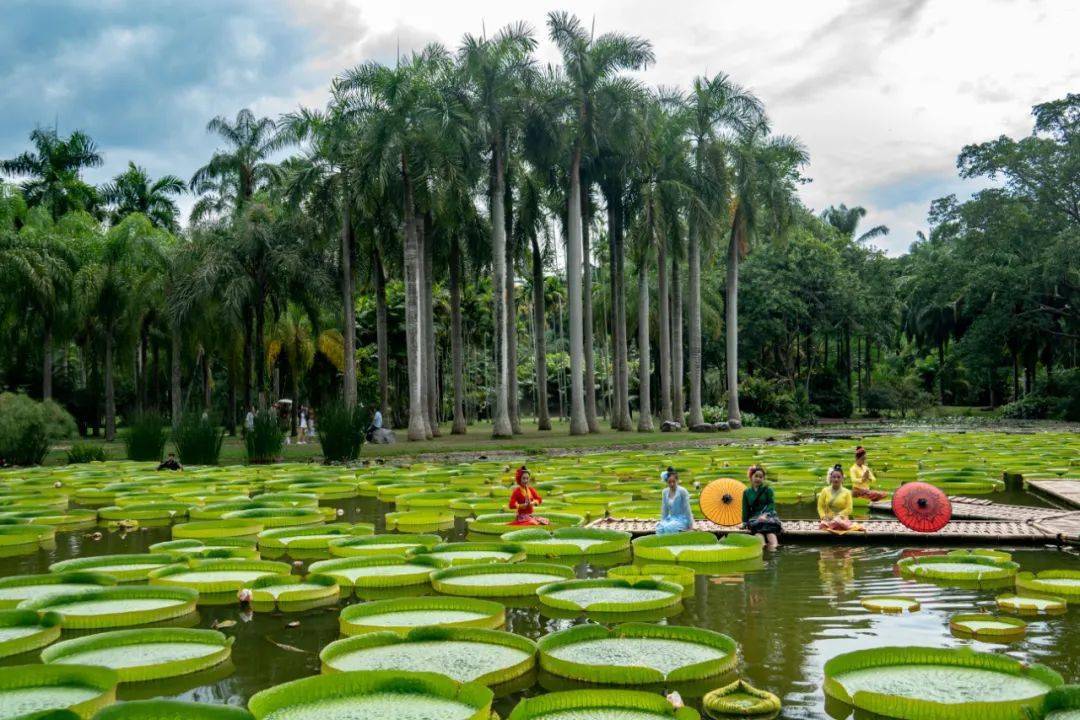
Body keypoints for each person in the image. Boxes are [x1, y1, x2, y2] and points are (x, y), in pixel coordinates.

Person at [742, 464, 781, 549]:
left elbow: (771, 504)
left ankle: (773, 552)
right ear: (751, 477)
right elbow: (745, 509)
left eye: (761, 477)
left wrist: (765, 515)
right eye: (756, 476)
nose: (758, 479)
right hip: (755, 516)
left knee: (770, 532)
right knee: (758, 533)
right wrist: (744, 522)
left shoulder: (768, 490)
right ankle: (762, 549)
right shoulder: (746, 492)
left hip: (768, 514)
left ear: (763, 479)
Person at [656, 467, 694, 535]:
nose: (672, 484)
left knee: (669, 527)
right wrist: (662, 521)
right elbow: (664, 510)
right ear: (666, 482)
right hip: (671, 518)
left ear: (677, 480)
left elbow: (687, 509)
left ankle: (671, 543)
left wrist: (690, 525)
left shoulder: (682, 491)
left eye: (674, 481)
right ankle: (662, 544)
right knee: (659, 527)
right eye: (669, 482)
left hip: (682, 519)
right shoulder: (665, 492)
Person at [818, 464, 855, 532]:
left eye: (838, 477)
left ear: (842, 478)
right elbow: (820, 507)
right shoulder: (825, 491)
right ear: (830, 478)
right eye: (834, 477)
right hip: (828, 519)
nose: (836, 479)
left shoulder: (847, 492)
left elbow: (849, 509)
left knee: (837, 522)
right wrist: (823, 517)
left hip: (842, 519)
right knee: (824, 525)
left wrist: (839, 516)